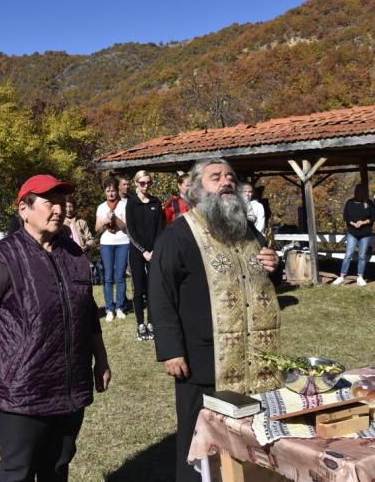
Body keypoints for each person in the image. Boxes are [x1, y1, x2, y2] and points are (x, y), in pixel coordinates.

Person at [0, 174, 111, 482]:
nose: (58, 209)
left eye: (60, 202)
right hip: (20, 392)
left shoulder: (74, 255)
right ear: (24, 209)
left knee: (57, 468)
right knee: (19, 472)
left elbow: (88, 312)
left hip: (69, 386)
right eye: (48, 202)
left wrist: (101, 360)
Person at [148, 159, 282, 482]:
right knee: (200, 446)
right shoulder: (178, 235)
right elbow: (159, 291)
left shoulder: (249, 232)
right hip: (202, 361)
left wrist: (275, 266)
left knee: (249, 442)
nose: (226, 182)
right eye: (216, 177)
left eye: (230, 177)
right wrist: (170, 349)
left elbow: (266, 281)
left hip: (253, 361)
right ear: (196, 189)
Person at [126, 170, 164, 341]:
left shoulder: (156, 202)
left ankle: (151, 322)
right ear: (136, 184)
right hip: (137, 251)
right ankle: (140, 323)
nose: (146, 186)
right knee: (138, 288)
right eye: (142, 183)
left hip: (153, 251)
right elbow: (131, 231)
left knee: (152, 288)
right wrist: (144, 251)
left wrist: (154, 250)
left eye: (148, 183)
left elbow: (160, 229)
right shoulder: (131, 203)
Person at [95, 177, 129, 322]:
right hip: (106, 244)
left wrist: (116, 219)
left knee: (120, 276)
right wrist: (104, 221)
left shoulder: (124, 205)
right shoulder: (101, 207)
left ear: (117, 191)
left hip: (122, 242)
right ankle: (109, 309)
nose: (111, 194)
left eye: (113, 191)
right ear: (104, 192)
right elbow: (97, 229)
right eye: (108, 191)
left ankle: (120, 307)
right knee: (108, 277)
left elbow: (126, 228)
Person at [331, 184, 375, 286]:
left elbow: (374, 217)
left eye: (362, 192)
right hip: (352, 233)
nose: (360, 194)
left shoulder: (369, 203)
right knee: (348, 255)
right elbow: (345, 217)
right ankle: (342, 276)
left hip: (365, 234)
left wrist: (363, 222)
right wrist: (353, 223)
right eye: (358, 191)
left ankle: (360, 277)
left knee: (362, 256)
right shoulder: (349, 203)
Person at [63, 195, 94, 263]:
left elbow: (90, 239)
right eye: (66, 206)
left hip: (84, 256)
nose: (68, 209)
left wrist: (87, 245)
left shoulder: (82, 223)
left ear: (74, 208)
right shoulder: (61, 224)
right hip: (69, 257)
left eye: (71, 206)